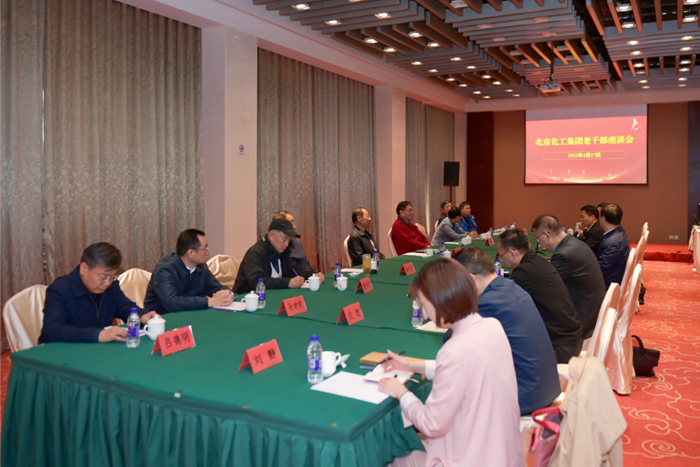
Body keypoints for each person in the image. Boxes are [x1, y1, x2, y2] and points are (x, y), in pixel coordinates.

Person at [378, 258, 523, 467]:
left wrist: (401, 393)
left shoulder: (453, 352)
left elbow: (431, 424)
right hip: (502, 453)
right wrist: (412, 365)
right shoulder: (492, 326)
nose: (424, 312)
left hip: (469, 459)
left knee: (390, 458)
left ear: (439, 303)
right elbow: (467, 368)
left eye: (424, 304)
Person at [452, 247, 561, 415]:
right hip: (546, 386)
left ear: (470, 278)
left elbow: (452, 339)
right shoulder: (510, 286)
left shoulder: (486, 303)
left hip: (526, 396)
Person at [39, 243, 158, 344]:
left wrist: (142, 316)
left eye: (112, 277)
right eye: (103, 277)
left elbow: (126, 307)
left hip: (95, 349)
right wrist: (98, 335)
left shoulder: (112, 287)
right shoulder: (60, 289)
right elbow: (53, 329)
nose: (107, 283)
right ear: (84, 268)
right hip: (59, 352)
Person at [498, 229, 582, 363]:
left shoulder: (523, 273)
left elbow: (507, 311)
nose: (501, 260)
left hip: (558, 348)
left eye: (501, 255)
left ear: (512, 253)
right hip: (571, 340)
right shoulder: (539, 262)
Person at [533, 215, 606, 339]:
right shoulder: (575, 243)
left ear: (547, 235)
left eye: (538, 238)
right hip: (592, 311)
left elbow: (544, 287)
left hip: (582, 320)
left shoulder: (563, 255)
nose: (538, 241)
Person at [144, 229, 233, 314]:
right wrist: (209, 302)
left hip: (191, 314)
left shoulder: (201, 266)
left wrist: (227, 294)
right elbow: (171, 302)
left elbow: (216, 287)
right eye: (205, 249)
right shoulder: (165, 269)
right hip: (162, 318)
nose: (208, 252)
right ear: (190, 253)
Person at [233, 218, 324, 294]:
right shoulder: (255, 253)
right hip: (248, 299)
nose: (286, 244)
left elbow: (295, 270)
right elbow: (256, 281)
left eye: (289, 241)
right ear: (271, 235)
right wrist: (288, 283)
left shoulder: (282, 251)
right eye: (284, 239)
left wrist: (313, 275)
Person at [597, 204, 631, 290]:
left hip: (608, 286)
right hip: (613, 279)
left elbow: (600, 272)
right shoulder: (619, 232)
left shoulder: (612, 243)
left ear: (603, 218)